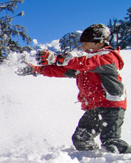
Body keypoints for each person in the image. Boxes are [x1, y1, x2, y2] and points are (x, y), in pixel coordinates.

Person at [20, 24, 128, 153]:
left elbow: (87, 62)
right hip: (94, 107)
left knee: (111, 141)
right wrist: (37, 69)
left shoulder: (107, 57)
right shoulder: (85, 62)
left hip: (111, 105)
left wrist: (58, 59)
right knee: (81, 139)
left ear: (99, 41)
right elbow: (64, 70)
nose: (82, 46)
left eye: (85, 43)